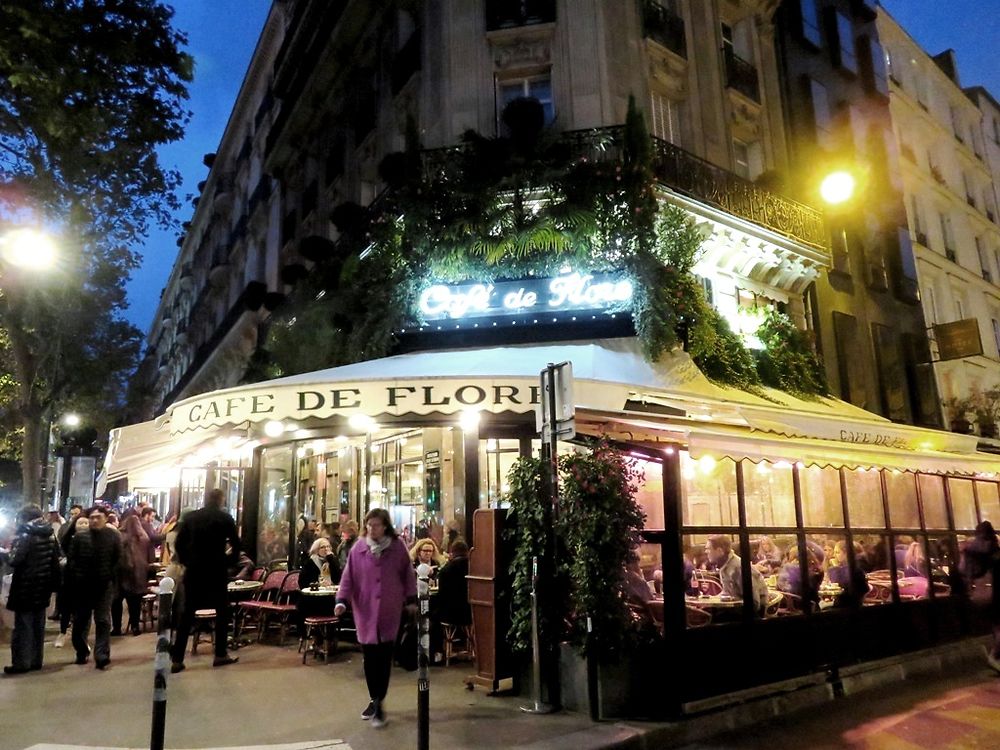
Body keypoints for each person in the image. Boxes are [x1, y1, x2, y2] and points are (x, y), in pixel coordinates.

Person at [335, 509, 417, 729]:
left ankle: (379, 700)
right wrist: (341, 600)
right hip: (365, 611)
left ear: (385, 526)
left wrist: (411, 600)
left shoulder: (398, 547)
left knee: (384, 658)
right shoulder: (358, 549)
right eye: (369, 524)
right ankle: (375, 699)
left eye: (377, 525)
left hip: (390, 611)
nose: (373, 528)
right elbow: (348, 577)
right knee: (370, 658)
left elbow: (408, 575)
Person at [169, 488, 241, 673]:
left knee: (187, 613)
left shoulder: (191, 518)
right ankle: (220, 653)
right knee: (222, 612)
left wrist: (187, 560)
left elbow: (179, 543)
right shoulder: (225, 518)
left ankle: (177, 658)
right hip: (216, 570)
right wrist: (228, 562)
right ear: (221, 500)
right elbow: (236, 544)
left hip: (194, 570)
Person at [4, 506, 61, 675]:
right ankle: (36, 660)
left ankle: (21, 662)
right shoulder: (49, 533)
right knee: (38, 625)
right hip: (42, 585)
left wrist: (7, 553)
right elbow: (55, 558)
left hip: (25, 586)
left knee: (23, 626)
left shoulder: (25, 534)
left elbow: (15, 559)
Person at [68, 506, 122, 670]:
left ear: (106, 519)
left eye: (98, 517)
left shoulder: (113, 536)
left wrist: (111, 577)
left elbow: (118, 558)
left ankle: (102, 655)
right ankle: (82, 650)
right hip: (83, 586)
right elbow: (72, 559)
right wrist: (76, 576)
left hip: (104, 585)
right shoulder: (80, 537)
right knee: (80, 622)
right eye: (92, 517)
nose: (95, 520)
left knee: (103, 620)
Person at [961, 521, 1000, 672]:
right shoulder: (994, 550)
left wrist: (971, 583)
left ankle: (995, 657)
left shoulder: (969, 550)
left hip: (980, 593)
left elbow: (962, 570)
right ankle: (994, 657)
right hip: (995, 592)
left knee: (995, 625)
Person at [705, 535, 768, 614]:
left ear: (720, 551)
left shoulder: (738, 567)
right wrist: (711, 599)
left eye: (708, 549)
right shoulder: (724, 565)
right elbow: (727, 594)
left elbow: (754, 603)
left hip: (753, 614)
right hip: (736, 609)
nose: (706, 552)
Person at [54, 515, 90, 649]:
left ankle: (81, 640)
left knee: (82, 614)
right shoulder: (68, 540)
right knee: (66, 609)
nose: (84, 525)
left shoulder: (94, 539)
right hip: (69, 580)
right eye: (81, 523)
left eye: (86, 523)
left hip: (84, 582)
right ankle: (63, 632)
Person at [119, 515, 152, 635]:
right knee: (136, 602)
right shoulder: (144, 538)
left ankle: (117, 627)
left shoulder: (121, 536)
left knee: (117, 601)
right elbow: (150, 557)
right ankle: (135, 626)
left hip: (123, 573)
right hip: (140, 573)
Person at [824, 541, 869, 607]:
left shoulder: (855, 567)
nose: (834, 555)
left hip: (849, 605)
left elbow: (838, 583)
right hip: (850, 603)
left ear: (846, 553)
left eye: (837, 552)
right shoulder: (849, 566)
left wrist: (836, 567)